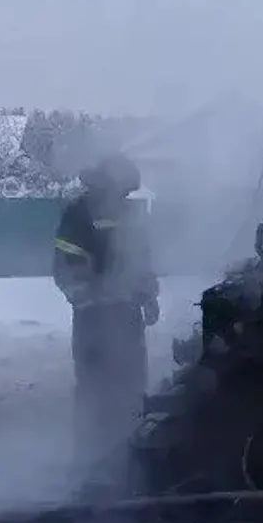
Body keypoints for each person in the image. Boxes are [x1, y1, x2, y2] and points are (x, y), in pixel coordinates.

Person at [53, 153, 160, 468]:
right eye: (122, 189)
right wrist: (96, 295)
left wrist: (148, 296)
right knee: (95, 393)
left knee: (130, 391)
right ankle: (90, 465)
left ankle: (128, 462)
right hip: (94, 322)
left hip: (127, 319)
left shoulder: (129, 214)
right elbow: (67, 270)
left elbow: (141, 261)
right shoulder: (77, 215)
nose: (124, 196)